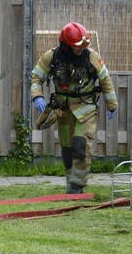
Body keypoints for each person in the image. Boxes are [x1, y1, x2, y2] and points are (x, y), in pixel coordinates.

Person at [30, 22, 117, 194]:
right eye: (77, 47)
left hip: (86, 108)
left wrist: (111, 105)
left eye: (84, 46)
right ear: (66, 45)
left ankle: (77, 185)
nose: (81, 50)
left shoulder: (92, 57)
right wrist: (37, 96)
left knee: (80, 144)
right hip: (63, 109)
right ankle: (71, 183)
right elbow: (36, 77)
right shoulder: (51, 57)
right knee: (67, 149)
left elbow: (105, 80)